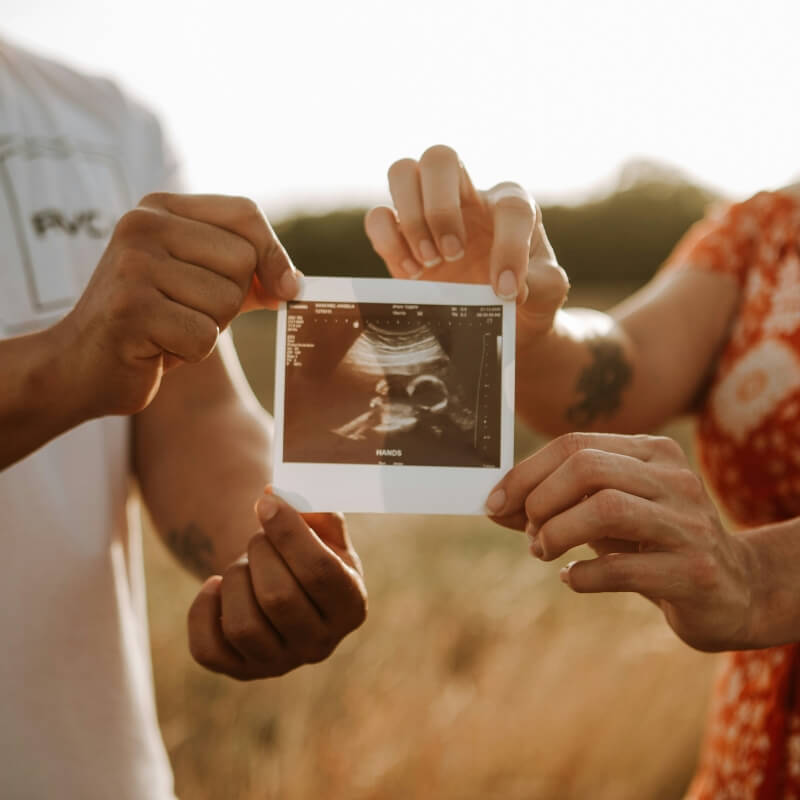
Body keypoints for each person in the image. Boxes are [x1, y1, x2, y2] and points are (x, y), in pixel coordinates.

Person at [366, 144, 800, 798]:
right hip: (758, 751)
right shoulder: (769, 229)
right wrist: (525, 322)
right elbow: (619, 365)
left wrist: (764, 577)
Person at [0, 38, 367, 799]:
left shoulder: (105, 121)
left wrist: (269, 550)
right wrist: (64, 364)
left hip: (90, 771)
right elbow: (83, 365)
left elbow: (197, 411)